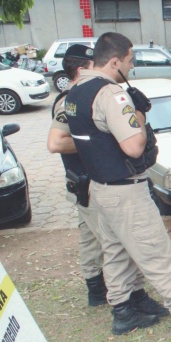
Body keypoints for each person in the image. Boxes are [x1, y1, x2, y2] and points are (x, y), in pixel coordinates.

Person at [65, 32, 171, 338]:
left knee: (114, 252)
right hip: (126, 189)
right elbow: (135, 147)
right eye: (130, 61)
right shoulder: (111, 95)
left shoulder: (75, 92)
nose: (131, 67)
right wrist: (138, 112)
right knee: (157, 253)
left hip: (100, 188)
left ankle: (123, 311)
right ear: (115, 61)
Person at [46, 44, 108, 308]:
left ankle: (96, 292)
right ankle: (117, 294)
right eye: (95, 65)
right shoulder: (69, 100)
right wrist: (97, 140)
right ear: (82, 68)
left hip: (86, 180)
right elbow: (56, 143)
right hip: (85, 181)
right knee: (108, 239)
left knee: (90, 238)